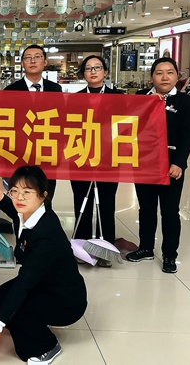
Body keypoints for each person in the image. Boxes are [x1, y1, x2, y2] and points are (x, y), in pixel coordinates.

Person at [0, 166, 87, 365]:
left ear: (43, 196)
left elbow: (24, 283)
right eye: (15, 191)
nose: (19, 198)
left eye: (27, 192)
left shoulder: (46, 233)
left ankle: (48, 347)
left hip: (65, 299)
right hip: (41, 284)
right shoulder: (30, 214)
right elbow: (16, 212)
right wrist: (1, 198)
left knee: (14, 315)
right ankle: (32, 323)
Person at [125, 57, 190, 273]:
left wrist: (179, 163)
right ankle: (146, 247)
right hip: (144, 163)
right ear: (151, 77)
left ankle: (169, 254)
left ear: (177, 76)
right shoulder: (141, 97)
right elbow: (129, 125)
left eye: (170, 72)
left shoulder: (185, 101)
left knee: (170, 211)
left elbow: (187, 135)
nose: (165, 77)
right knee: (146, 209)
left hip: (171, 165)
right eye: (159, 73)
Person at [69, 55, 123, 267]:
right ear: (83, 74)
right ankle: (81, 248)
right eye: (88, 68)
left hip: (109, 159)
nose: (93, 71)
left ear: (105, 72)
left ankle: (105, 249)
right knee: (82, 202)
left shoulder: (118, 97)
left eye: (97, 68)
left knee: (106, 204)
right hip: (81, 158)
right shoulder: (75, 99)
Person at [4, 45, 62, 208]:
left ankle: (45, 224)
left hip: (47, 153)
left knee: (46, 198)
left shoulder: (55, 89)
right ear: (22, 63)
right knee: (21, 201)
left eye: (37, 57)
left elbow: (60, 120)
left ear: (45, 62)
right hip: (20, 153)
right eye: (28, 58)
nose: (33, 61)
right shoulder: (11, 91)